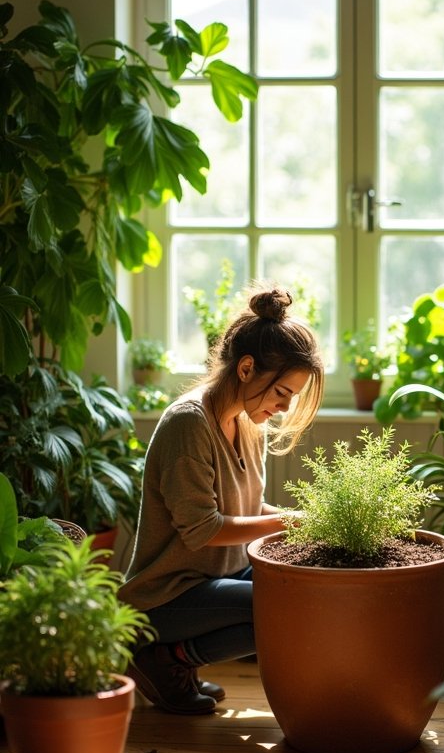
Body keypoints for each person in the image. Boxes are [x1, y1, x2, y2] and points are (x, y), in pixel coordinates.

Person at [119, 285, 324, 714]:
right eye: (281, 393)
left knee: (303, 592)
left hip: (218, 577)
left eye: (292, 398)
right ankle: (162, 657)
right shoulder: (188, 423)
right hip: (166, 596)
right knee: (280, 607)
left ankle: (177, 659)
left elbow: (248, 510)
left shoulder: (250, 421)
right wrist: (290, 522)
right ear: (246, 368)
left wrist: (302, 518)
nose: (284, 409)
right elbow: (202, 530)